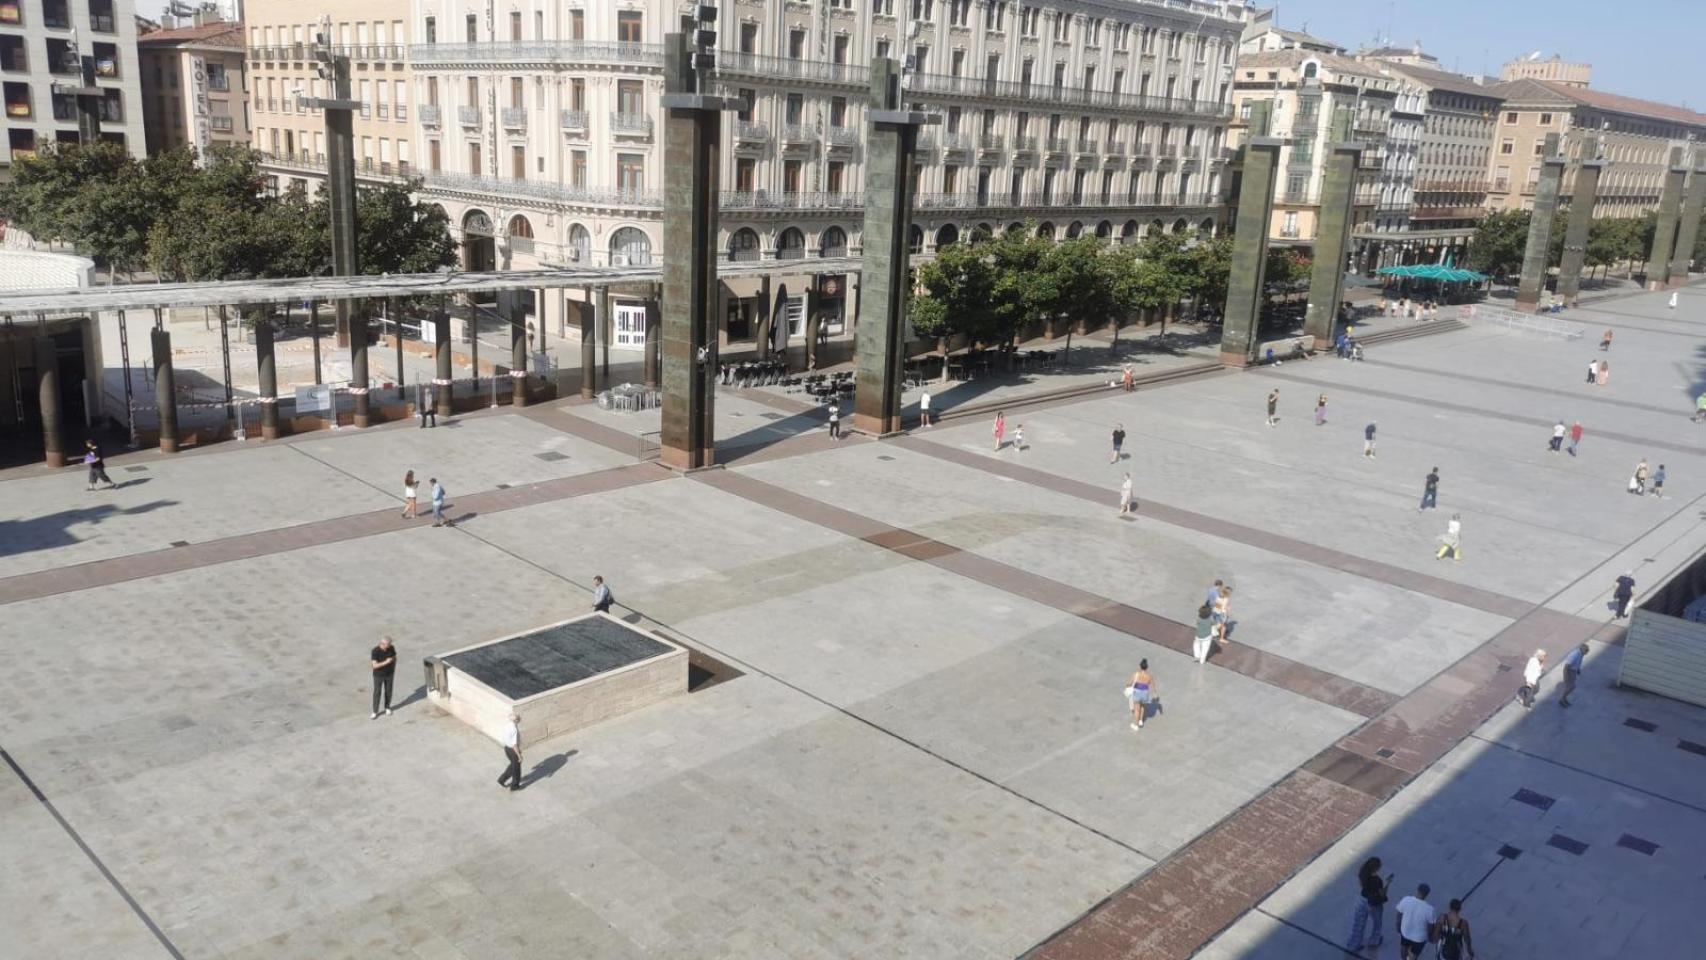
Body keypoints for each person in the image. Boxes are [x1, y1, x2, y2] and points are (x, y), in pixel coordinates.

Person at [1346, 856, 1392, 952]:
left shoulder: (1362, 873)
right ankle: (1374, 940)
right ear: (1377, 868)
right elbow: (1382, 893)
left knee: (1358, 924)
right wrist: (1387, 883)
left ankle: (1353, 944)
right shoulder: (1377, 880)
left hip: (1361, 900)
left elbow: (1362, 885)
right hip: (1374, 904)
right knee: (1377, 922)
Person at [1394, 883, 1438, 960]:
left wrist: (1398, 926)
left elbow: (1399, 914)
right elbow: (1431, 926)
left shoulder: (1406, 900)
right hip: (1419, 937)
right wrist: (1429, 935)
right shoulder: (1430, 909)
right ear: (1427, 894)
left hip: (1405, 932)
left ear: (1417, 890)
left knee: (1403, 947)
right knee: (1415, 953)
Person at [370, 636, 397, 719]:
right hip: (378, 675)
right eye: (388, 645)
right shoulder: (375, 651)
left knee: (388, 690)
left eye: (389, 644)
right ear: (383, 644)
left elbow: (394, 657)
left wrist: (393, 667)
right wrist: (386, 662)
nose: (389, 646)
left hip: (389, 674)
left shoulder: (391, 648)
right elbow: (374, 666)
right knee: (377, 692)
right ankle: (375, 711)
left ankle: (387, 707)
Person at [1126, 659, 1156, 731]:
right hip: (1145, 693)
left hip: (1137, 693)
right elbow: (1153, 685)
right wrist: (1155, 693)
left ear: (1140, 666)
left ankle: (1135, 725)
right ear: (1147, 667)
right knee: (1142, 706)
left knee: (1137, 710)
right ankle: (1141, 721)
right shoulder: (1149, 676)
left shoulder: (1136, 674)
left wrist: (1127, 685)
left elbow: (1129, 683)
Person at [497, 713, 524, 791]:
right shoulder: (513, 729)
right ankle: (514, 786)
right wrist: (519, 755)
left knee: (513, 765)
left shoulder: (508, 725)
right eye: (519, 718)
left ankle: (502, 779)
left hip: (507, 748)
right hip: (513, 750)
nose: (520, 718)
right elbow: (514, 744)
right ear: (516, 720)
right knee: (516, 768)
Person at [1559, 642, 1588, 708]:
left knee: (1571, 687)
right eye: (1586, 652)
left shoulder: (1581, 654)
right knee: (1570, 687)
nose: (1586, 653)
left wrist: (1578, 669)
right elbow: (1567, 666)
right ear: (1583, 650)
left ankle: (1564, 699)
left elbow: (1579, 661)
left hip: (1573, 671)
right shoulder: (1575, 654)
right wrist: (1566, 675)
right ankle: (1562, 699)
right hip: (1569, 671)